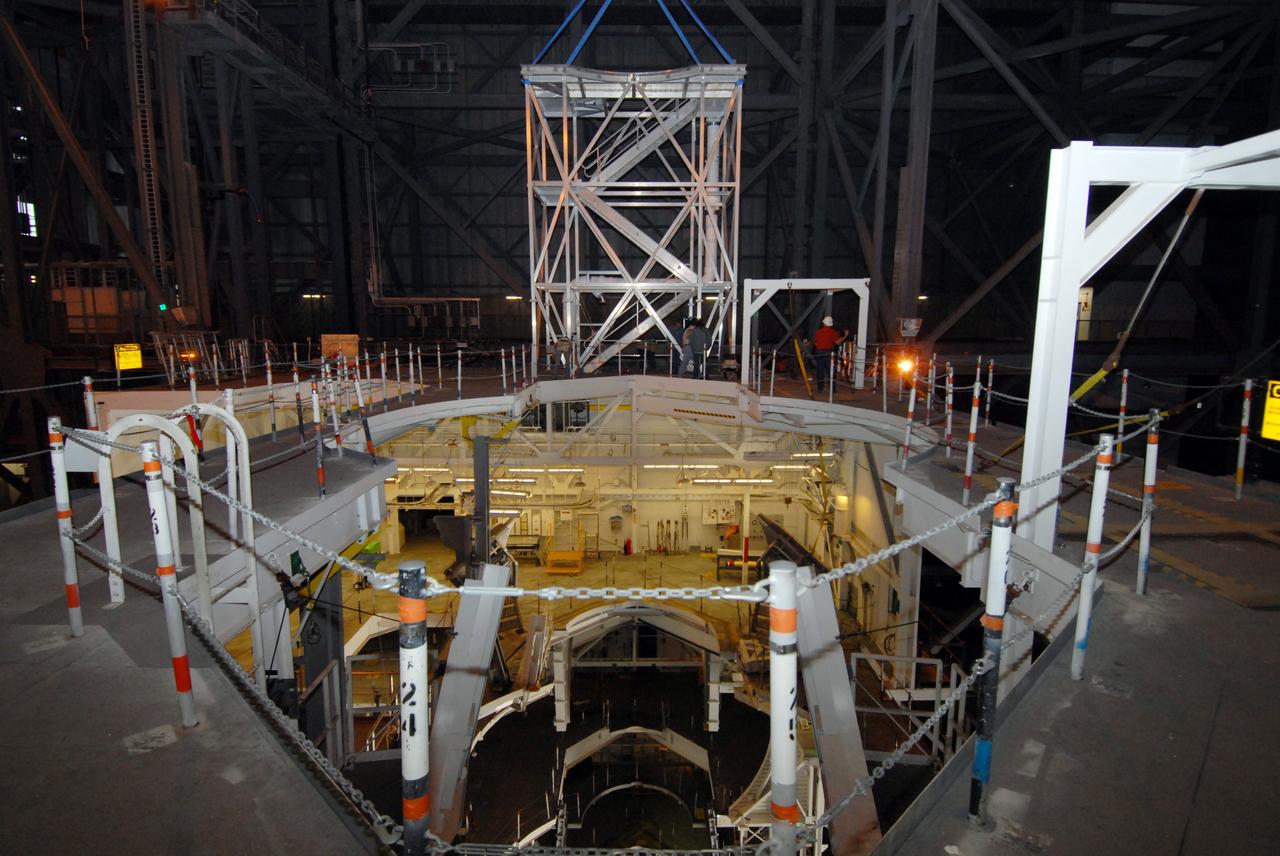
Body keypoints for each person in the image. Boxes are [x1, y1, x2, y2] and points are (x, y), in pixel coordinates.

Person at [813, 315, 849, 391]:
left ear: (824, 323)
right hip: (828, 353)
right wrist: (845, 335)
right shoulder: (833, 332)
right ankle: (832, 389)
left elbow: (816, 343)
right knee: (831, 371)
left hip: (819, 353)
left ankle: (820, 389)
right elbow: (837, 342)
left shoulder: (818, 332)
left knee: (820, 371)